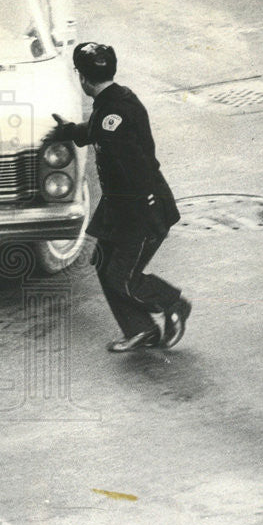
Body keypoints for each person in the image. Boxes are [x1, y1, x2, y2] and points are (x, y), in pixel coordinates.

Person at [49, 42, 191, 352]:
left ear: (83, 78)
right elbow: (97, 131)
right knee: (103, 263)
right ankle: (141, 330)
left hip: (140, 210)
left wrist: (140, 215)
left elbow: (134, 165)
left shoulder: (116, 111)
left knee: (121, 277)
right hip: (123, 206)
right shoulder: (112, 102)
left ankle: (173, 304)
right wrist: (69, 130)